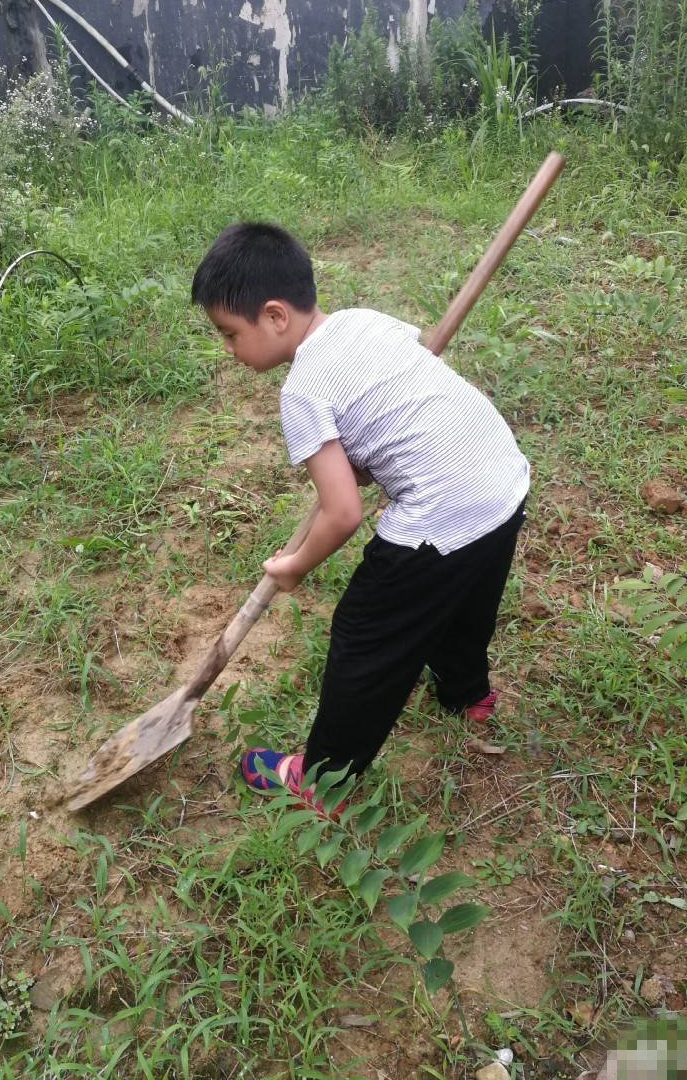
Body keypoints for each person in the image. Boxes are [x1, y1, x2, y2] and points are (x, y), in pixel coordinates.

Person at [191, 221, 528, 813]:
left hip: (442, 506)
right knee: (464, 600)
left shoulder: (301, 391)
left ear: (274, 316)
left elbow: (342, 513)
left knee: (365, 636)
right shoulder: (361, 321)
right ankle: (467, 695)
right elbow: (400, 380)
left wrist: (295, 564)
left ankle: (324, 778)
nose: (227, 349)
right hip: (499, 477)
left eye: (229, 334)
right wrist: (366, 451)